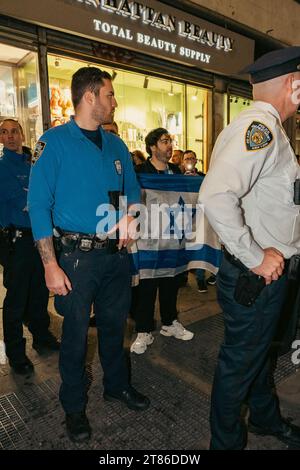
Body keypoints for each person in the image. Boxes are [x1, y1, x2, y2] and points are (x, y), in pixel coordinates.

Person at [28, 67, 150, 443]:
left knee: (115, 329)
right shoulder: (53, 143)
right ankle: (74, 407)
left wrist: (130, 215)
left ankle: (116, 385)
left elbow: (134, 192)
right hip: (74, 259)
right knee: (77, 337)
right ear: (91, 96)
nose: (115, 101)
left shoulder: (115, 146)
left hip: (115, 256)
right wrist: (50, 264)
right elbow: (37, 205)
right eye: (110, 94)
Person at [199, 46, 300, 450]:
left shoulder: (262, 125)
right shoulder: (260, 128)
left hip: (264, 276)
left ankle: (263, 418)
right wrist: (256, 256)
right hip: (258, 277)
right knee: (239, 365)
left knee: (256, 357)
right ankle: (225, 444)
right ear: (294, 83)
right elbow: (216, 194)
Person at [0, 119, 59, 375]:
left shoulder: (33, 161)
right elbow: (30, 198)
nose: (10, 136)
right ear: (0, 139)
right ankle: (15, 353)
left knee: (38, 292)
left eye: (15, 131)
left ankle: (42, 336)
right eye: (4, 132)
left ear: (22, 134)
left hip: (40, 238)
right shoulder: (2, 168)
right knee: (16, 300)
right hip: (17, 241)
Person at [130, 128, 194, 355]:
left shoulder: (175, 172)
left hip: (172, 240)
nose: (170, 146)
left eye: (171, 141)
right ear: (152, 146)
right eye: (165, 141)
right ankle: (143, 330)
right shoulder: (139, 172)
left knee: (170, 283)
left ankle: (169, 322)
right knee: (146, 288)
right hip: (147, 241)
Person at [182, 150, 216, 292]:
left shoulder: (204, 177)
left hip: (201, 218)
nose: (189, 161)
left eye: (192, 158)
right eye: (187, 159)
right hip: (185, 219)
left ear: (196, 161)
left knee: (201, 247)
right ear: (183, 163)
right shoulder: (178, 179)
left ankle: (201, 278)